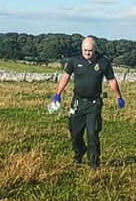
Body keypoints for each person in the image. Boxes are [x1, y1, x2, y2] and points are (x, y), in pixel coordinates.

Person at [53, 36, 124, 169]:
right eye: (85, 50)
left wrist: (118, 96)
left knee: (92, 133)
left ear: (95, 49)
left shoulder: (103, 62)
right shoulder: (74, 60)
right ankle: (79, 153)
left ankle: (94, 162)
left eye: (90, 50)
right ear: (81, 49)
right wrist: (58, 94)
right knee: (75, 132)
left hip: (94, 103)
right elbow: (66, 77)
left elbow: (111, 80)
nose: (87, 53)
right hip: (78, 102)